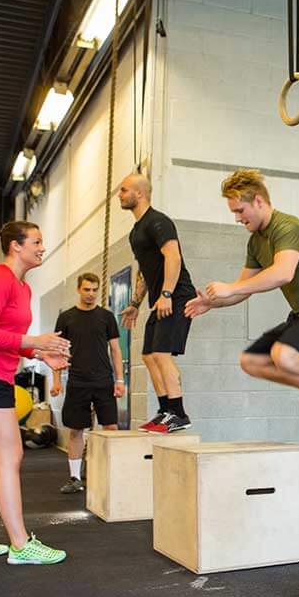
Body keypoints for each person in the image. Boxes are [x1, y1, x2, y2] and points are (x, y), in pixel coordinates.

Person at [185, 168, 299, 432]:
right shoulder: (255, 243)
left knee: (283, 355)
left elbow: (283, 273)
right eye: (234, 212)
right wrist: (212, 302)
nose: (237, 218)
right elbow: (243, 289)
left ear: (259, 202)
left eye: (240, 211)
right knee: (251, 361)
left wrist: (229, 289)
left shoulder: (287, 226)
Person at [0, 221, 69, 564]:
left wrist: (39, 353)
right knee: (11, 456)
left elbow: (9, 337)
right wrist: (33, 341)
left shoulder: (22, 289)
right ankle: (21, 545)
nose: (42, 247)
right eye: (36, 241)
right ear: (15, 246)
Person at [118, 173, 196, 433]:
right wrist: (135, 303)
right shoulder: (136, 232)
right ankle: (166, 411)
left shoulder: (158, 221)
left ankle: (179, 413)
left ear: (139, 194)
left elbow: (173, 257)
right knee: (149, 355)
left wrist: (166, 294)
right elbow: (144, 270)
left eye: (124, 190)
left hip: (177, 295)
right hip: (159, 299)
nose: (120, 194)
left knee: (161, 353)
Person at [51, 272, 125, 494]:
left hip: (103, 381)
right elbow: (58, 350)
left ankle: (110, 472)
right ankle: (75, 478)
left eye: (94, 290)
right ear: (78, 289)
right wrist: (56, 381)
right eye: (87, 289)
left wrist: (119, 380)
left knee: (110, 427)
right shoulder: (66, 318)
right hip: (77, 381)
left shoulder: (106, 317)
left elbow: (115, 350)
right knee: (76, 430)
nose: (91, 294)